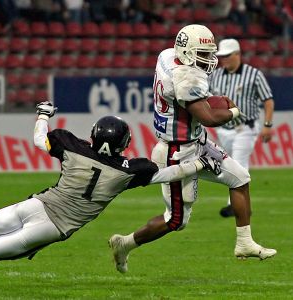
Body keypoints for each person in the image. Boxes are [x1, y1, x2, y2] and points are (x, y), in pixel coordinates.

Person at [0, 105, 221, 289]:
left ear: (93, 135)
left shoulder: (72, 145)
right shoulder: (131, 169)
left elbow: (40, 140)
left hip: (38, 203)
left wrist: (43, 114)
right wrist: (200, 162)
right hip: (54, 226)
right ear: (124, 144)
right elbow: (171, 173)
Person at [108, 24, 276, 274]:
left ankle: (244, 243)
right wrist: (233, 111)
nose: (209, 60)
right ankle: (125, 244)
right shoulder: (186, 77)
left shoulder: (167, 55)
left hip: (197, 142)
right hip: (177, 152)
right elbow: (208, 116)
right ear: (187, 52)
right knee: (176, 221)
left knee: (240, 178)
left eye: (209, 53)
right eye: (203, 54)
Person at [210, 38, 275, 217]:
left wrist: (268, 125)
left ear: (238, 54)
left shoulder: (253, 74)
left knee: (239, 163)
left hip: (245, 127)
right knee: (230, 165)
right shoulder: (215, 75)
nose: (223, 60)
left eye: (227, 56)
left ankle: (233, 205)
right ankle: (244, 204)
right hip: (224, 129)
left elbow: (268, 100)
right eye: (221, 56)